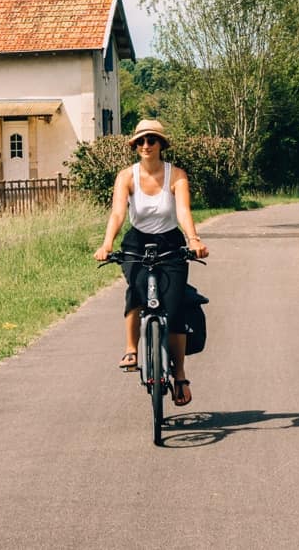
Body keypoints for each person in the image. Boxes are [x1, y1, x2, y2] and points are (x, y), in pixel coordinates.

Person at [94, 119, 210, 407]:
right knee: (136, 289)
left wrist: (193, 239)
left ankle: (180, 375)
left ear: (161, 145)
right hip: (136, 242)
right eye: (141, 141)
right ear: (135, 146)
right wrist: (107, 244)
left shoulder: (176, 175)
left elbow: (183, 211)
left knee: (176, 306)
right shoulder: (126, 177)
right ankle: (132, 349)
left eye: (152, 140)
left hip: (170, 242)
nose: (146, 145)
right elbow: (118, 213)